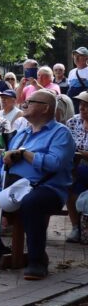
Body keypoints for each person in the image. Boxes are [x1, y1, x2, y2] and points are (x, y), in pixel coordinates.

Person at [0, 90, 73, 280]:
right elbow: (1, 159)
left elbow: (55, 163)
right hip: (10, 187)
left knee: (31, 203)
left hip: (45, 188)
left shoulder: (61, 133)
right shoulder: (23, 132)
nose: (25, 104)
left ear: (45, 108)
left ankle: (37, 260)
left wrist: (26, 154)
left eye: (31, 101)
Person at [65, 91, 88, 243]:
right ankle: (75, 228)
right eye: (81, 104)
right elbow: (66, 145)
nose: (82, 108)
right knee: (68, 184)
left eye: (87, 106)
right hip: (76, 166)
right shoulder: (73, 122)